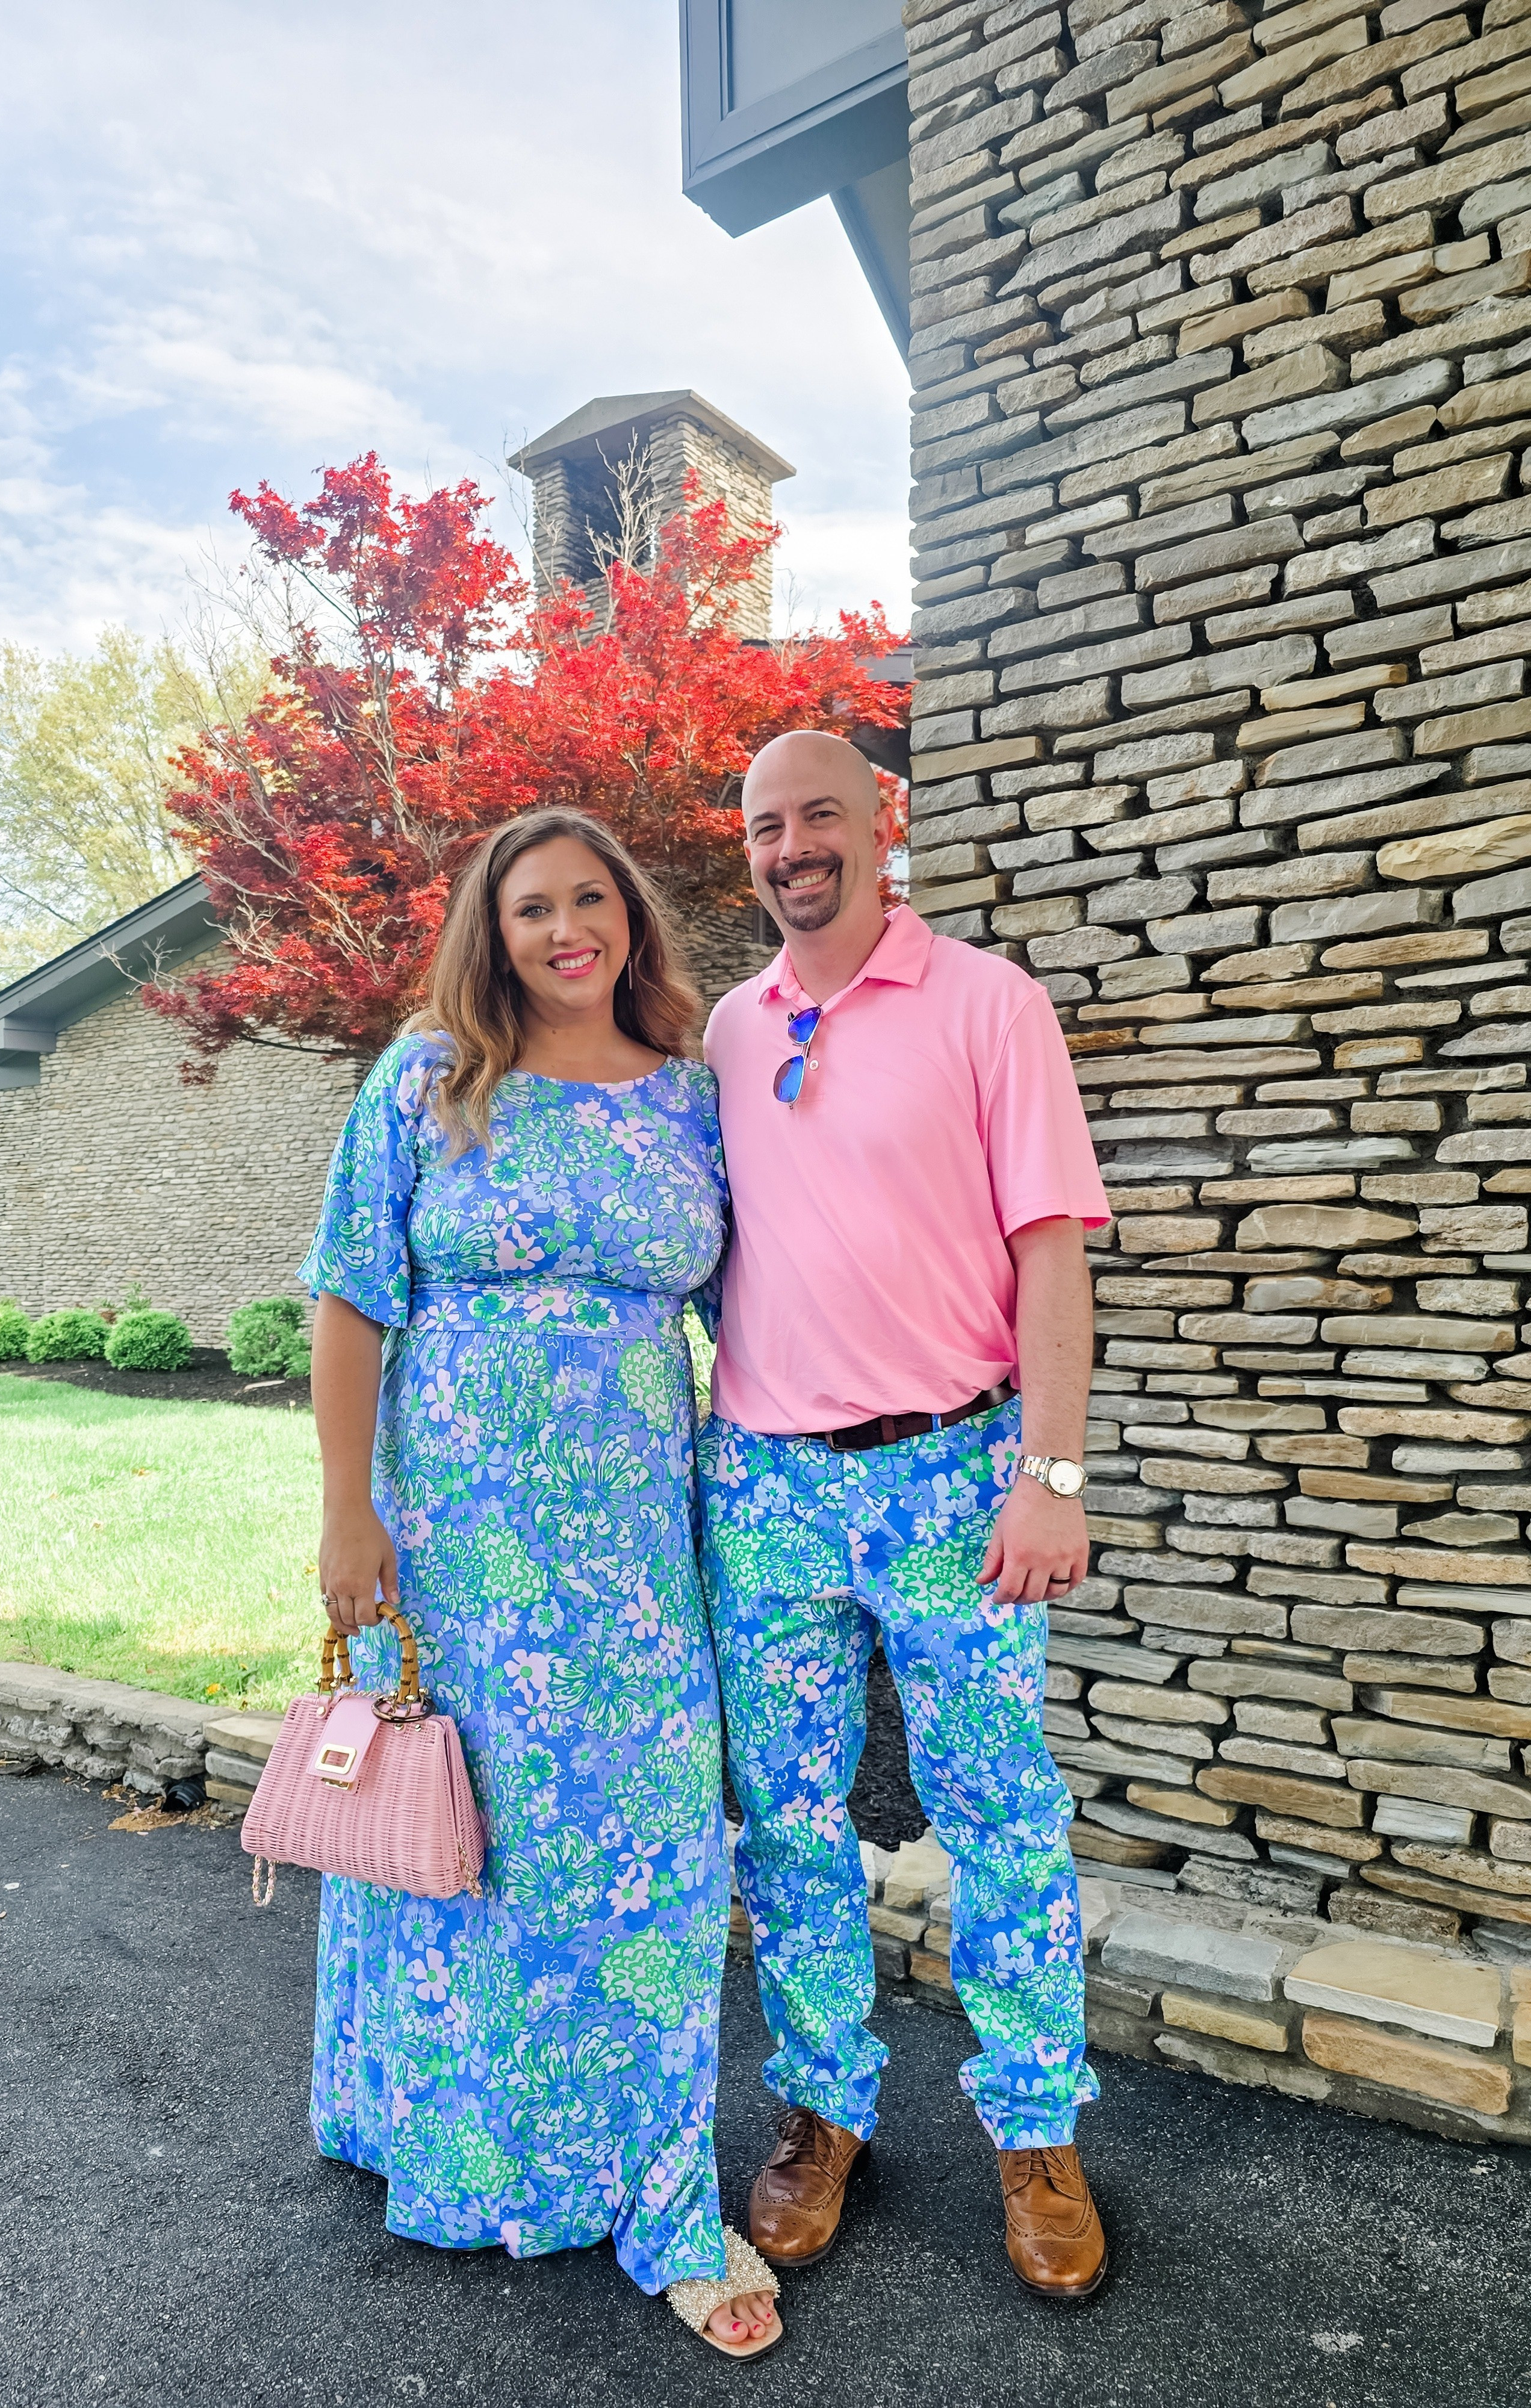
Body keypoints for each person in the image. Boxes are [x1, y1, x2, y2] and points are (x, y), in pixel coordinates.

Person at [298, 807, 781, 2359]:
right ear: (489, 934)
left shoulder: (696, 1100)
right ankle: (443, 2130)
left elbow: (772, 1296)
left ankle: (655, 2190)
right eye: (530, 911)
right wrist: (345, 1518)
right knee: (460, 1829)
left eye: (591, 901)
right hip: (447, 1526)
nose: (566, 930)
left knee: (648, 1852)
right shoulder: (428, 1076)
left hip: (637, 1538)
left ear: (631, 917)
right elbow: (351, 1299)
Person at [700, 730, 1111, 2302]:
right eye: (763, 825)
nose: (792, 845)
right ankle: (824, 2112)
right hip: (767, 1485)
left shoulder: (988, 1007)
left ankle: (1033, 2130)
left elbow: (1054, 1259)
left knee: (1000, 1811)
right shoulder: (730, 1033)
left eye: (819, 816)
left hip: (952, 1470)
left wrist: (1050, 1476)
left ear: (885, 825)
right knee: (790, 1824)